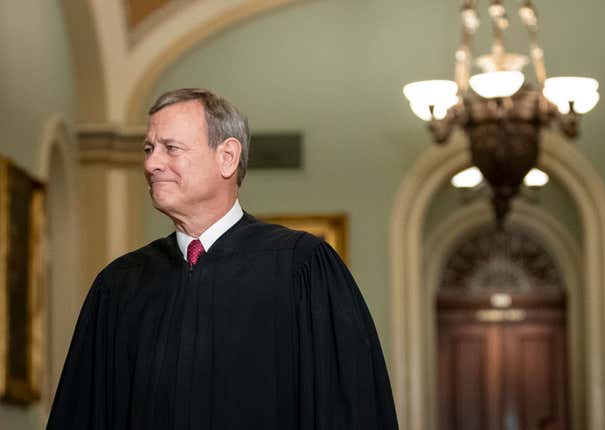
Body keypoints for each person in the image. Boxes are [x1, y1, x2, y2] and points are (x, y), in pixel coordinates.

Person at [46, 88, 399, 429]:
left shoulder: (301, 267)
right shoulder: (120, 284)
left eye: (171, 148)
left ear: (227, 157)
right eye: (149, 148)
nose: (152, 163)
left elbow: (348, 408)